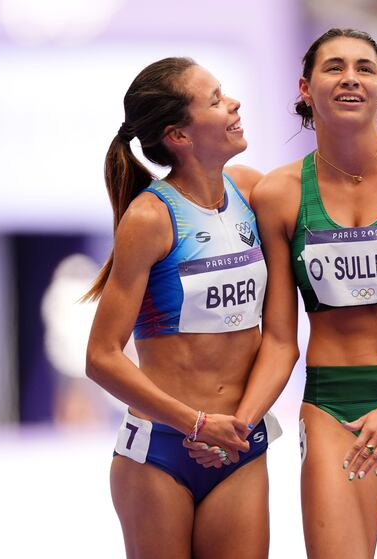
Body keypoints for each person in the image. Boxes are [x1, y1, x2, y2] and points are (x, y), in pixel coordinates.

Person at [231, 28, 377, 558]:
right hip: (335, 408)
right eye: (334, 67)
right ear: (304, 87)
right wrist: (238, 424)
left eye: (364, 69)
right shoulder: (278, 195)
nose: (350, 78)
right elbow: (278, 340)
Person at [84, 57, 274, 559]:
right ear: (179, 136)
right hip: (162, 452)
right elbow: (101, 357)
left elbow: (335, 188)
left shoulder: (253, 191)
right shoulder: (150, 217)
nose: (232, 103)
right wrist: (195, 424)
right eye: (214, 100)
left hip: (239, 441)